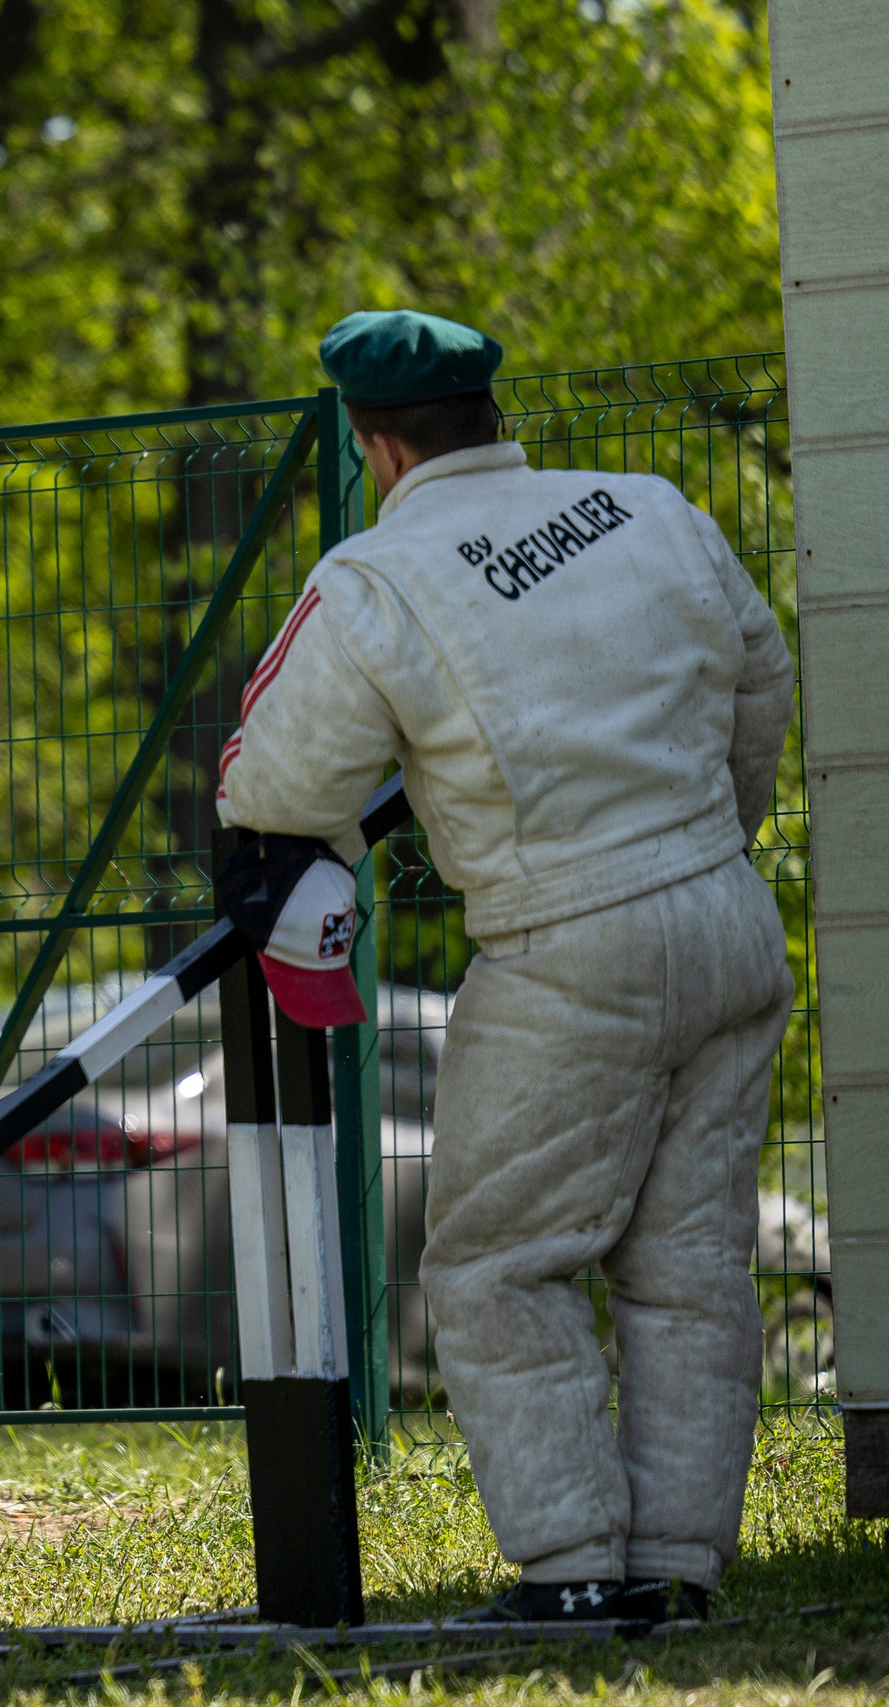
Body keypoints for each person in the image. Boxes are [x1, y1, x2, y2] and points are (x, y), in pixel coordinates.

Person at [214, 310, 794, 1624]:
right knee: (691, 1259)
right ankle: (676, 1570)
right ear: (490, 411)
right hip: (727, 915)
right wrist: (712, 844)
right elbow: (763, 683)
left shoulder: (379, 575)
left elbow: (276, 776)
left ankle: (577, 1565)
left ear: (374, 443)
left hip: (569, 946)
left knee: (497, 1263)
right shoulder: (649, 508)